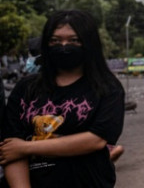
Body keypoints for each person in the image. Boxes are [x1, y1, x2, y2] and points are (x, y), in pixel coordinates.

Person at [0, 10, 125, 187]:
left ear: (88, 44)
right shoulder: (25, 88)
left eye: (73, 40)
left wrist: (26, 147)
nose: (64, 46)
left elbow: (95, 140)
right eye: (55, 41)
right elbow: (10, 149)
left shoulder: (107, 88)